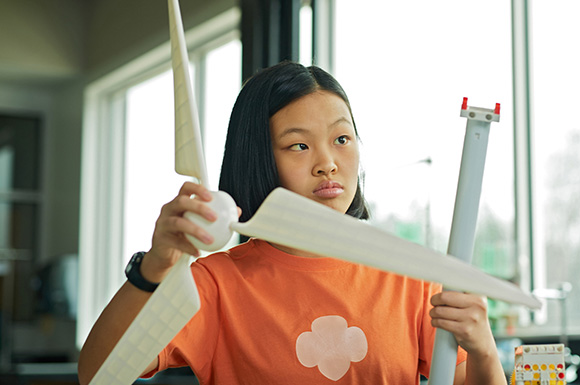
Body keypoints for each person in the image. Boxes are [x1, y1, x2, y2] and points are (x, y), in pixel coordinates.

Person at [78, 61, 506, 384]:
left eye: (342, 139)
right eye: (299, 145)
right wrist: (156, 264)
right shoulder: (215, 285)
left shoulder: (411, 277)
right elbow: (97, 373)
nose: (327, 164)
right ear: (260, 158)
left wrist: (483, 348)